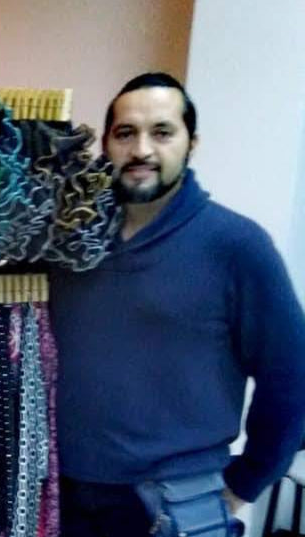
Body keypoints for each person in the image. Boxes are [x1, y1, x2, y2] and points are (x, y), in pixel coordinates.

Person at [50, 72, 305, 536]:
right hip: (63, 499)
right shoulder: (67, 243)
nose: (142, 150)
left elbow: (291, 376)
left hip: (176, 505)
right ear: (105, 144)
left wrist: (247, 482)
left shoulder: (236, 246)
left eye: (162, 132)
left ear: (192, 144)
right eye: (126, 133)